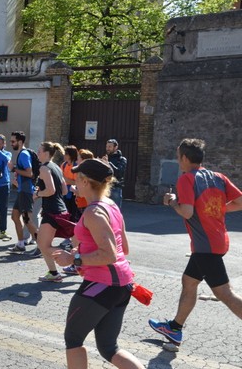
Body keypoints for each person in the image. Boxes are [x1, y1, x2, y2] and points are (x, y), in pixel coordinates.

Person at [149, 138, 242, 347]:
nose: (177, 160)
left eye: (177, 156)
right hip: (216, 241)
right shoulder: (218, 177)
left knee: (224, 294)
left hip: (205, 246)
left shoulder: (186, 179)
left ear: (184, 157)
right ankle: (174, 328)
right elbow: (240, 202)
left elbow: (187, 211)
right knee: (189, 282)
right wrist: (214, 208)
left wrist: (172, 201)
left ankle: (174, 328)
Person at [53, 158, 144, 369]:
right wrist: (81, 250)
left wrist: (74, 259)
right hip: (121, 285)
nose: (74, 184)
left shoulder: (93, 212)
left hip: (103, 284)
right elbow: (124, 249)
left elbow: (109, 254)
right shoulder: (111, 206)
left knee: (73, 339)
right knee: (108, 348)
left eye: (77, 178)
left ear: (86, 181)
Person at [35, 142, 71, 282]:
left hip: (52, 210)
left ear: (46, 153)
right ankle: (54, 273)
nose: (38, 153)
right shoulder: (56, 166)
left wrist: (38, 194)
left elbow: (51, 190)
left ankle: (75, 258)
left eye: (39, 151)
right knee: (44, 244)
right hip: (60, 209)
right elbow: (64, 190)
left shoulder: (44, 168)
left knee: (43, 244)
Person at [7, 131, 39, 254]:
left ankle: (41, 245)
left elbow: (29, 173)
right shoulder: (21, 154)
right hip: (22, 190)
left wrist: (14, 169)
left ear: (20, 142)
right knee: (15, 216)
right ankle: (21, 244)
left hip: (26, 192)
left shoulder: (24, 154)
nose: (11, 144)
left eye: (13, 141)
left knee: (27, 220)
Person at [102, 139, 127, 207]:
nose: (107, 149)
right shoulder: (105, 158)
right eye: (107, 146)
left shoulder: (122, 159)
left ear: (115, 147)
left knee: (115, 211)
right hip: (104, 188)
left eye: (110, 147)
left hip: (115, 188)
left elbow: (118, 172)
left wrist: (108, 163)